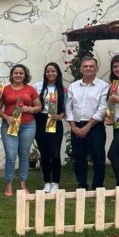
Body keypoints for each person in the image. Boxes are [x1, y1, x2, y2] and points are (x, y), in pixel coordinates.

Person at [0, 64, 41, 196]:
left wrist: (29, 109)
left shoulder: (30, 89)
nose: (18, 75)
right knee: (11, 155)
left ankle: (22, 182)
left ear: (25, 75)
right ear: (12, 75)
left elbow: (39, 107)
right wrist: (6, 117)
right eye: (16, 73)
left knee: (24, 155)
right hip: (9, 126)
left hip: (28, 126)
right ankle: (9, 183)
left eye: (21, 73)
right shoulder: (5, 89)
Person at [66, 57, 109, 190]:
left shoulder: (103, 86)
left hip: (95, 126)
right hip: (76, 126)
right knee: (79, 158)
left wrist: (88, 126)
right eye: (85, 66)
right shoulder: (73, 86)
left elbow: (102, 108)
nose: (88, 68)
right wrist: (73, 126)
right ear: (81, 69)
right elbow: (68, 107)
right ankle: (82, 184)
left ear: (96, 69)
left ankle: (98, 185)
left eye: (91, 66)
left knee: (98, 157)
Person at [34, 63, 67, 193]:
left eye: (53, 71)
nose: (50, 73)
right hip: (40, 120)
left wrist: (60, 116)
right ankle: (47, 182)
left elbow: (66, 108)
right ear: (45, 73)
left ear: (57, 73)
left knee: (55, 154)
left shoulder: (63, 90)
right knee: (44, 153)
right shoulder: (37, 87)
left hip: (55, 120)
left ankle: (56, 182)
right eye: (48, 71)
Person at [107, 54, 119, 185]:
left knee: (112, 154)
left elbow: (117, 101)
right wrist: (109, 117)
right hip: (117, 125)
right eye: (115, 67)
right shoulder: (115, 84)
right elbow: (111, 105)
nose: (117, 69)